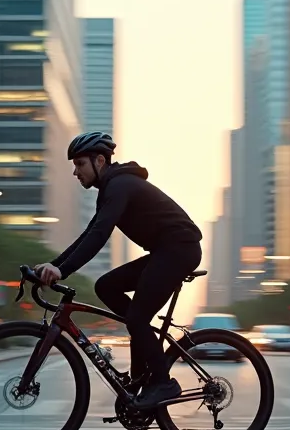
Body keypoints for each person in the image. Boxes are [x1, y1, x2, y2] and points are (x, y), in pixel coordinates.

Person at [35, 131, 203, 409]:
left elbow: (99, 235)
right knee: (106, 287)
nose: (75, 172)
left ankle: (163, 383)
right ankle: (141, 372)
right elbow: (90, 232)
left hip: (179, 250)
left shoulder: (120, 185)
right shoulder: (112, 188)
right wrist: (56, 265)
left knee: (137, 318)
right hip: (166, 251)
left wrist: (61, 270)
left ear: (99, 160)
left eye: (80, 164)